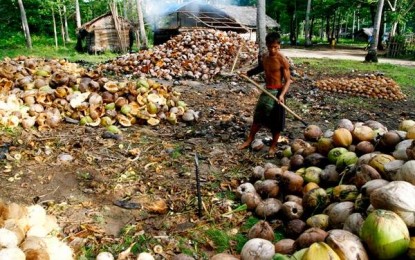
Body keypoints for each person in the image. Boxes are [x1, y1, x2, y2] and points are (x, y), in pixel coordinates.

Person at [238, 31, 292, 158]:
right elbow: (260, 68)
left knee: (276, 123)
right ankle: (249, 140)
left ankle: (273, 146)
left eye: (276, 47)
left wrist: (282, 95)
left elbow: (288, 80)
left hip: (278, 92)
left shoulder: (282, 60)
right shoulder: (265, 57)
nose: (273, 50)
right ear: (267, 45)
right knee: (258, 117)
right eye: (270, 47)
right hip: (267, 90)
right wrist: (248, 74)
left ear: (279, 46)